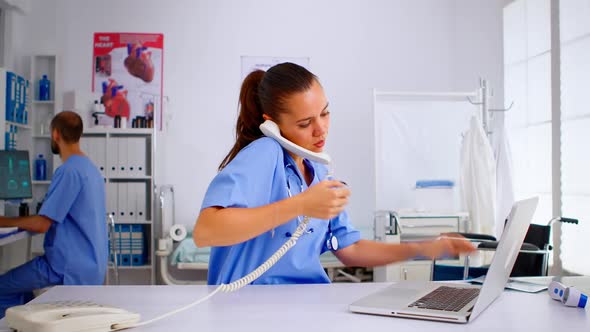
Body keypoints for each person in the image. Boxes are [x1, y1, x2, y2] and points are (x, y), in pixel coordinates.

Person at [193, 63, 475, 285]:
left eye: (325, 114)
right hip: (255, 310)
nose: (321, 129)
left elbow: (349, 250)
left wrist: (422, 250)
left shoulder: (318, 171)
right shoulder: (265, 153)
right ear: (272, 125)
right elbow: (206, 232)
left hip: (309, 303)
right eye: (305, 123)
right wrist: (301, 205)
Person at [0, 111, 107, 317]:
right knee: (20, 290)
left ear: (55, 134)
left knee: (2, 287)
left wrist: (3, 221)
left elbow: (42, 225)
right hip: (90, 263)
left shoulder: (69, 171)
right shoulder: (90, 168)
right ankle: (32, 320)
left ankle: (29, 322)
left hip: (66, 266)